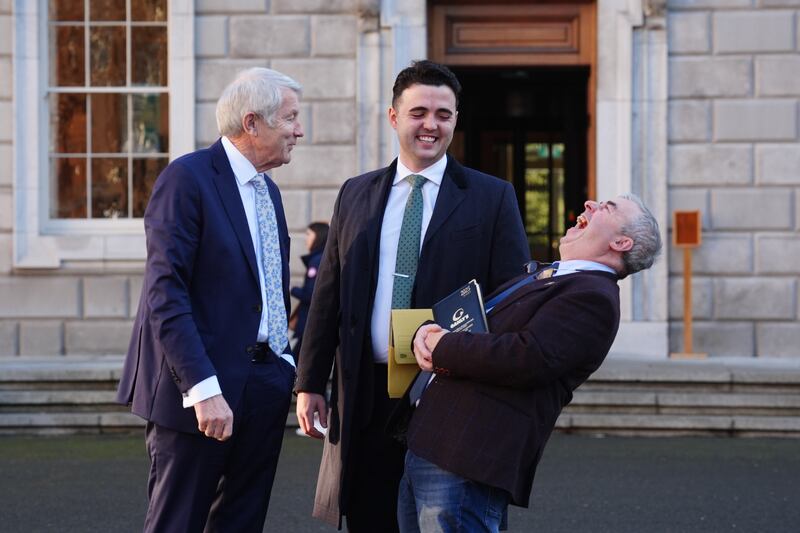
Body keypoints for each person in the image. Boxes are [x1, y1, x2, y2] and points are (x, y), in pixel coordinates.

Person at [294, 60, 530, 532]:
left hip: (446, 395)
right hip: (365, 392)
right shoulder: (355, 194)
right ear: (394, 117)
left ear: (455, 120)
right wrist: (309, 381)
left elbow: (511, 301)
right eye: (419, 111)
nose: (431, 124)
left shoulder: (492, 197)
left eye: (444, 114)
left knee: (442, 520)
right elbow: (329, 294)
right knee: (371, 517)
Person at [396, 194, 662, 533]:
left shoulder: (593, 296)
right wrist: (427, 333)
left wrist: (442, 345)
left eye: (607, 207)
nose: (591, 204)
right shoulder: (553, 275)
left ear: (621, 242)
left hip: (467, 455)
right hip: (436, 443)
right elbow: (481, 326)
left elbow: (526, 357)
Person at [116, 67, 304, 532]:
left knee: (241, 522)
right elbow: (165, 292)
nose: (299, 130)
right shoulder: (187, 179)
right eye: (291, 118)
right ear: (252, 123)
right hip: (201, 394)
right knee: (177, 523)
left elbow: (265, 290)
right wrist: (202, 389)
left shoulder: (269, 192)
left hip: (263, 386)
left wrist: (283, 365)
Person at [290, 221, 329, 358]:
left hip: (309, 322)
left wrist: (293, 289)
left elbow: (311, 295)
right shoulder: (321, 258)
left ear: (318, 236)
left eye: (308, 234)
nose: (306, 238)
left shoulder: (316, 261)